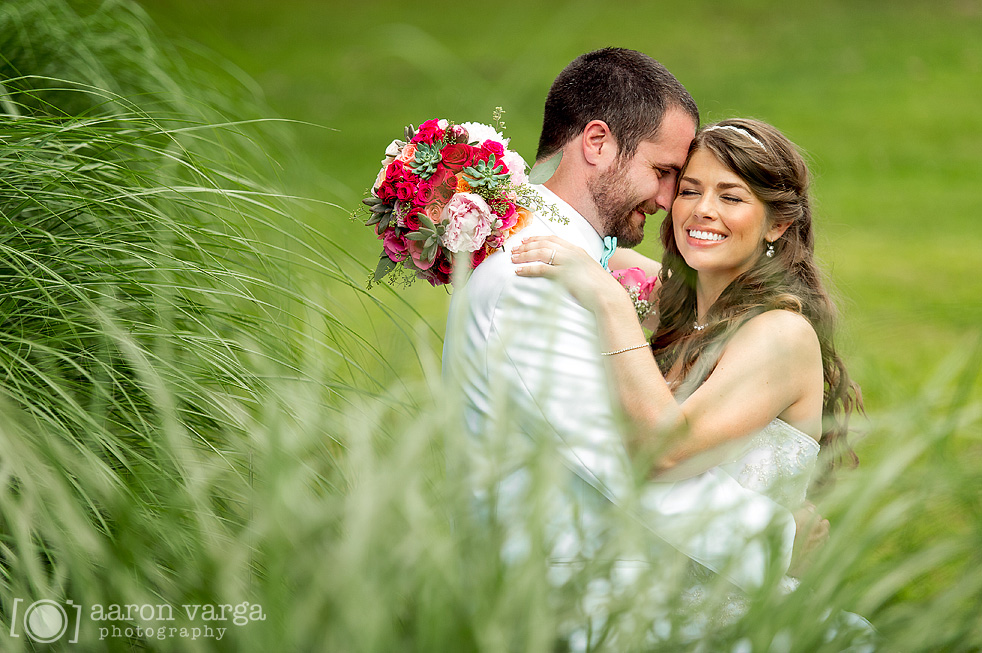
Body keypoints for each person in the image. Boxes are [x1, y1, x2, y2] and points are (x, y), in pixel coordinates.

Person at [443, 49, 810, 593]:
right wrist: (779, 538)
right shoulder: (535, 277)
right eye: (668, 176)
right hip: (561, 599)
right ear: (597, 143)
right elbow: (625, 461)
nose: (670, 201)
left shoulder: (574, 263)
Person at [510, 118, 863, 593]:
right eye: (690, 191)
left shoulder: (779, 333)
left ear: (777, 223)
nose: (703, 211)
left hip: (727, 606)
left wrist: (610, 302)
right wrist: (459, 188)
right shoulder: (674, 303)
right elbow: (568, 235)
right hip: (637, 596)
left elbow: (666, 453)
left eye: (731, 197)